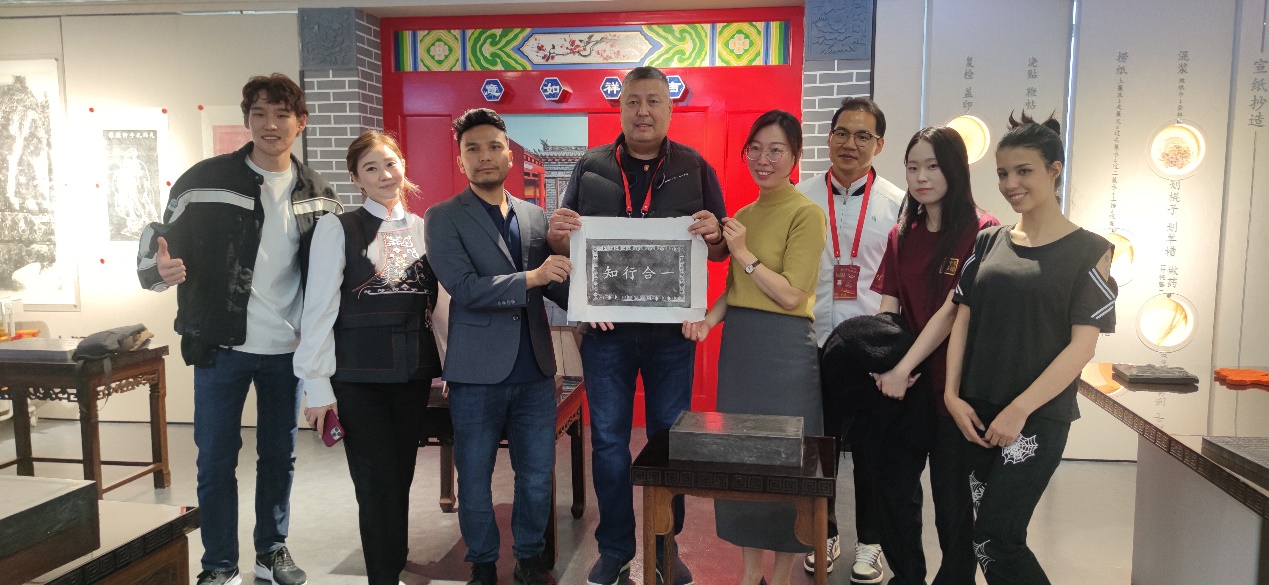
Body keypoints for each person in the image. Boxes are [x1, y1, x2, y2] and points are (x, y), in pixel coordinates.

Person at [136, 73, 339, 585]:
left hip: (287, 349)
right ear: (247, 119)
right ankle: (219, 564)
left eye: (282, 115)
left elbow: (333, 272)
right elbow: (161, 243)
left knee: (279, 457)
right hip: (220, 343)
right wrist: (158, 270)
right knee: (215, 459)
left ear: (300, 122)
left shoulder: (318, 192)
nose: (270, 125)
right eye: (259, 114)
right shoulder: (204, 181)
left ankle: (271, 552)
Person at [546, 66, 728, 585]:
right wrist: (558, 232)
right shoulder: (590, 166)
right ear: (620, 107)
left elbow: (718, 251)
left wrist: (715, 233)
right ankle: (616, 549)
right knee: (607, 441)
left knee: (669, 441)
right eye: (633, 102)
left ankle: (665, 547)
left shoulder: (694, 166)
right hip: (608, 335)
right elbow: (561, 244)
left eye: (653, 101)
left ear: (669, 109)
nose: (643, 111)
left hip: (672, 335)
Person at [945, 112, 1116, 584]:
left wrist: (1019, 410)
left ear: (1054, 170)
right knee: (988, 540)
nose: (1010, 184)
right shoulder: (988, 241)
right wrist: (952, 395)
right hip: (976, 413)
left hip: (1036, 418)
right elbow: (962, 319)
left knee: (994, 538)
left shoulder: (1091, 251)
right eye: (1003, 173)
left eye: (1024, 171)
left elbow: (1082, 348)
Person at [425, 108, 571, 585]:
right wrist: (532, 277)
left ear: (509, 155)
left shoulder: (534, 215)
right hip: (475, 374)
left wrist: (597, 297)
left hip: (535, 372)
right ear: (461, 160)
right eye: (473, 149)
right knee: (474, 478)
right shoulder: (443, 217)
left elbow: (553, 284)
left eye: (493, 146)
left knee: (537, 477)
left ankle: (529, 558)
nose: (484, 156)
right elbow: (465, 288)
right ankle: (483, 564)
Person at [682, 110, 826, 585]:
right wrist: (708, 322)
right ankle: (749, 575)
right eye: (755, 149)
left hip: (785, 352)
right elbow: (736, 290)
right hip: (740, 348)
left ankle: (780, 576)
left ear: (795, 157)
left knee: (785, 463)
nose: (763, 159)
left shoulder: (807, 213)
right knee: (740, 457)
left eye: (776, 150)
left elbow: (790, 294)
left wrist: (743, 252)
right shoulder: (742, 215)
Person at [294, 130, 441, 585]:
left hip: (412, 372)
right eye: (371, 168)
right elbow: (318, 309)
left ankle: (392, 561)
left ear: (403, 166)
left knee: (401, 476)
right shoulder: (338, 228)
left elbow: (440, 306)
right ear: (356, 178)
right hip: (358, 376)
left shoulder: (424, 228)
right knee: (375, 482)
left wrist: (452, 366)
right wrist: (317, 386)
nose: (384, 175)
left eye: (390, 164)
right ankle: (382, 575)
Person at [866, 127, 999, 585]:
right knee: (894, 490)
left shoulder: (984, 232)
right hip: (908, 388)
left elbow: (952, 312)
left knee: (952, 502)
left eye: (933, 166)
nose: (921, 177)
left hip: (956, 389)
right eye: (912, 167)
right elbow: (889, 307)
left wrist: (903, 367)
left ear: (955, 169)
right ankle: (908, 576)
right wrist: (887, 363)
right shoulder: (902, 233)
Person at [798, 97, 904, 583]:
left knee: (872, 453)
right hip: (812, 341)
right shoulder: (801, 197)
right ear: (828, 137)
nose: (850, 143)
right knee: (819, 448)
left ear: (879, 144)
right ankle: (824, 532)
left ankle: (871, 543)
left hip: (871, 349)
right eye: (842, 132)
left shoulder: (899, 203)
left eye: (863, 136)